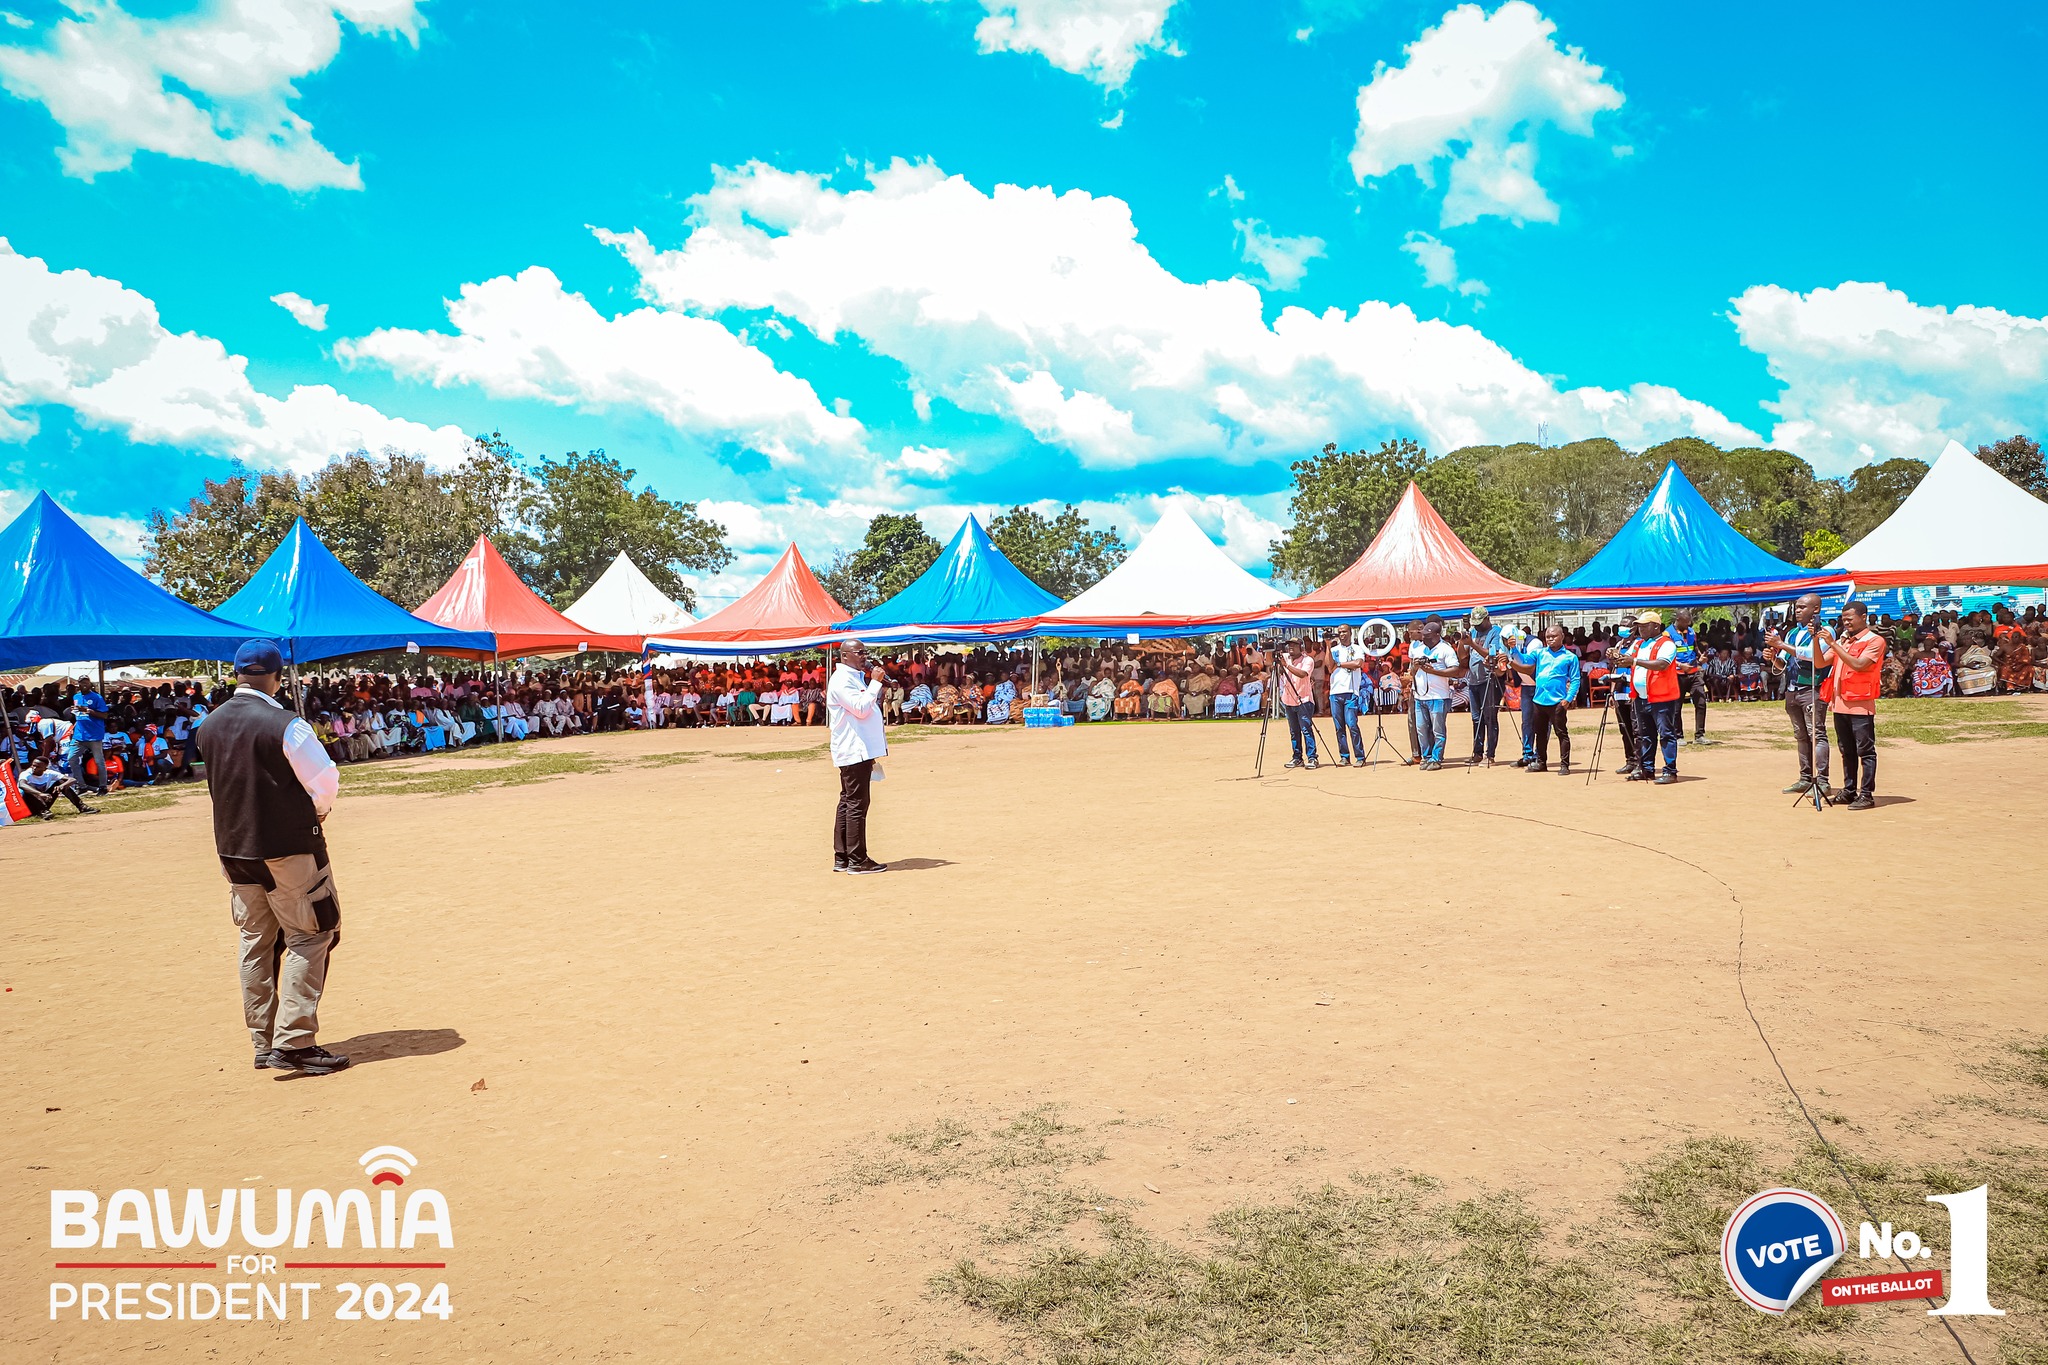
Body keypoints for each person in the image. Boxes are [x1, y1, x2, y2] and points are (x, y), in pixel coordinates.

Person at [193, 641, 350, 1076]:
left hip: (234, 852)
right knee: (310, 934)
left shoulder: (208, 725)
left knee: (255, 942)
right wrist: (316, 813)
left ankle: (264, 1043)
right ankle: (295, 1042)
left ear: (236, 675)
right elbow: (325, 781)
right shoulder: (288, 725)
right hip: (287, 849)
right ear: (278, 678)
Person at [827, 639, 888, 874]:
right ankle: (857, 859)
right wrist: (875, 683)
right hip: (853, 750)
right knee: (856, 804)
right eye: (859, 653)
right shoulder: (841, 680)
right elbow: (861, 709)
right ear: (845, 656)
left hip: (860, 749)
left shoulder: (854, 677)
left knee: (848, 802)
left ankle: (842, 858)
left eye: (865, 652)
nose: (864, 656)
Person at [1765, 593, 1834, 797]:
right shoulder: (1792, 632)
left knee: (1817, 735)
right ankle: (1805, 778)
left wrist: (1782, 645)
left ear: (1816, 610)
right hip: (1793, 690)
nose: (1798, 610)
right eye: (1796, 607)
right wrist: (1774, 658)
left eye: (1803, 607)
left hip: (1812, 689)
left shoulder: (1825, 631)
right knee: (1801, 736)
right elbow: (1783, 664)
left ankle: (1822, 781)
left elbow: (1813, 656)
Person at [1822, 601, 1885, 809]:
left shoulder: (1874, 641)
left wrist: (1833, 644)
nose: (1846, 622)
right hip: (1839, 704)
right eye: (1843, 618)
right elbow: (1821, 662)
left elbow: (1859, 665)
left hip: (1860, 704)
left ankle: (1866, 794)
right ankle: (1849, 790)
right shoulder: (1844, 641)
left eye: (1850, 617)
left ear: (1864, 616)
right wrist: (1817, 640)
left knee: (1865, 751)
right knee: (1846, 750)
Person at [1512, 624, 1582, 773]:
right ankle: (1541, 762)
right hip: (1539, 700)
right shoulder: (1540, 653)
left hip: (1558, 701)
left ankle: (1564, 765)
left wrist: (1568, 698)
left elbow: (1575, 679)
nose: (1550, 639)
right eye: (1548, 637)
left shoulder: (1570, 657)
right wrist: (1513, 649)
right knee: (1540, 733)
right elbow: (1524, 660)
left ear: (1562, 636)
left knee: (1561, 733)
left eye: (1554, 636)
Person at [1629, 610, 1683, 784]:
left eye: (1644, 626)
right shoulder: (1638, 644)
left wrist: (1635, 661)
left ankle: (1670, 771)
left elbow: (1661, 664)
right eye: (1639, 627)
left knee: (1666, 734)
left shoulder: (1666, 644)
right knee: (1645, 735)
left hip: (1662, 697)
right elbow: (1627, 659)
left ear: (1656, 626)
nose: (1641, 630)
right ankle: (1647, 769)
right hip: (1641, 697)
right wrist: (1615, 656)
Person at [1407, 616, 1461, 772]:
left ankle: (1437, 758)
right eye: (1423, 635)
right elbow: (1411, 671)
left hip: (1439, 697)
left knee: (1438, 730)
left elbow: (1455, 670)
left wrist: (1435, 671)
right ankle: (1426, 756)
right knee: (1421, 729)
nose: (1424, 638)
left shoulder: (1446, 649)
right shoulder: (1418, 649)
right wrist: (1416, 666)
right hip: (1420, 696)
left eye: (1427, 636)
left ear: (1437, 635)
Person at [1463, 607, 1505, 766]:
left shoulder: (1496, 632)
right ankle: (1477, 752)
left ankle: (1490, 754)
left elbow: (1491, 654)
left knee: (1489, 718)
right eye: (1474, 624)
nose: (1476, 627)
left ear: (1487, 619)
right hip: (1474, 680)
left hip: (1490, 680)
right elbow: (1463, 655)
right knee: (1476, 718)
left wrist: (1472, 644)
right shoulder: (1473, 632)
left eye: (1479, 623)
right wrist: (1463, 642)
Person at [1669, 608, 1711, 744]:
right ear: (1678, 620)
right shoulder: (1667, 634)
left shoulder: (1691, 632)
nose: (1688, 624)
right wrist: (1680, 665)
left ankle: (1700, 735)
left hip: (1694, 672)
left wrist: (1701, 656)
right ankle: (1678, 736)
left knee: (1701, 702)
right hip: (1677, 674)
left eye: (1689, 622)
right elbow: (1664, 656)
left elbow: (1694, 647)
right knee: (1676, 707)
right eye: (1685, 622)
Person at [1326, 626, 1366, 766]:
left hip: (1350, 691)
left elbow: (1358, 663)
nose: (1342, 634)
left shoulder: (1357, 648)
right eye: (1340, 632)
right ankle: (1344, 756)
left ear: (1350, 633)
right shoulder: (1334, 649)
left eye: (1344, 632)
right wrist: (1327, 645)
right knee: (1339, 727)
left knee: (1352, 724)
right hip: (1335, 692)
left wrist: (1339, 664)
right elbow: (1329, 667)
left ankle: (1360, 756)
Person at [1278, 638, 1319, 769]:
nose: (1290, 647)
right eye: (1289, 645)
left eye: (1294, 645)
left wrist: (1287, 666)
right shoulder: (1284, 657)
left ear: (1301, 648)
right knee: (1294, 731)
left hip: (1304, 700)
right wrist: (1270, 651)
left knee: (1306, 729)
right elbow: (1268, 662)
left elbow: (1302, 674)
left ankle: (1312, 757)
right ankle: (1297, 757)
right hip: (1288, 700)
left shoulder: (1308, 660)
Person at [18, 755, 99, 819]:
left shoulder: (49, 773)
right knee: (29, 787)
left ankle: (82, 807)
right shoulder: (26, 773)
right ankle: (43, 811)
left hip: (44, 801)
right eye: (33, 765)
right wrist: (40, 794)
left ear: (45, 768)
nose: (34, 768)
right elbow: (22, 785)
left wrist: (62, 786)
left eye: (38, 767)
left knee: (61, 783)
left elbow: (72, 779)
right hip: (29, 804)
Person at [67, 674, 110, 795]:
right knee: (72, 758)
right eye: (82, 682)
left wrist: (88, 710)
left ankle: (103, 787)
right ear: (78, 684)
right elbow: (78, 715)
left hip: (94, 735)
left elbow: (105, 715)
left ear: (90, 684)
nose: (84, 684)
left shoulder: (97, 697)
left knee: (99, 761)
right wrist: (74, 711)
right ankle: (82, 786)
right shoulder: (76, 696)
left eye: (86, 682)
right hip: (79, 735)